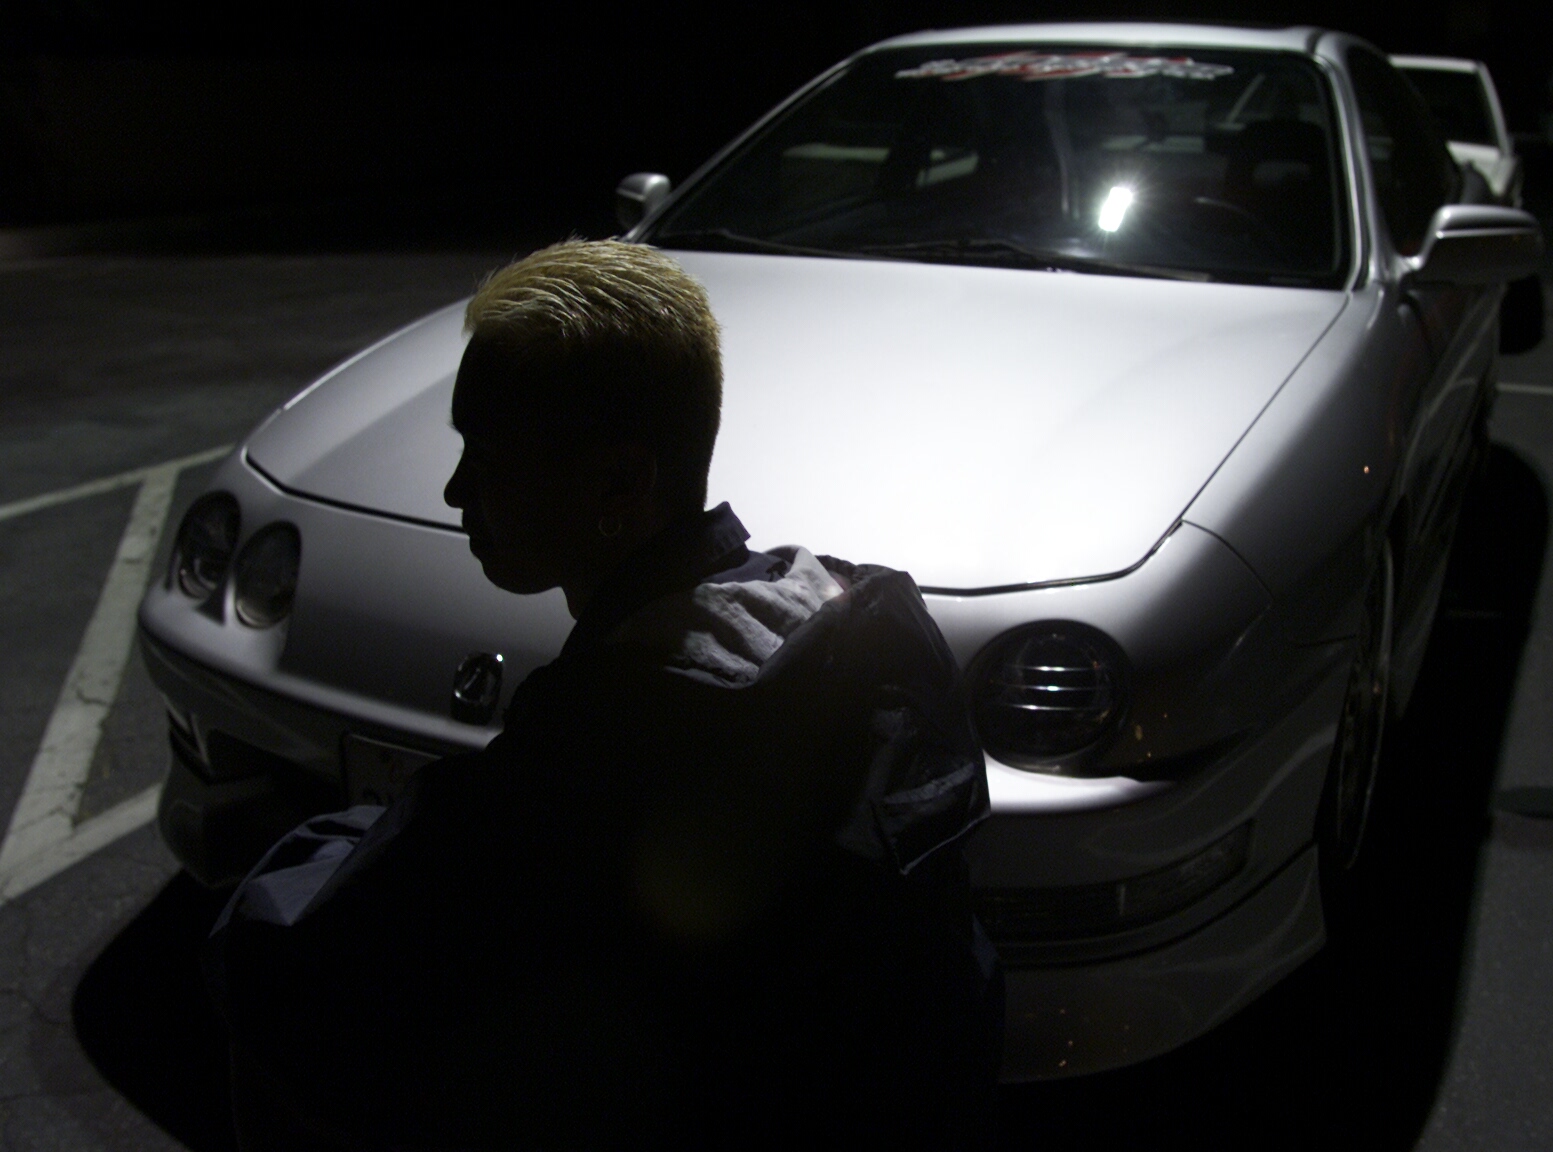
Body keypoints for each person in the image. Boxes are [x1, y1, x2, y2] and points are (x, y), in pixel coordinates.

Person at [205, 239, 1002, 1150]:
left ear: (621, 484)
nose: (457, 489)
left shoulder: (611, 736)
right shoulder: (856, 621)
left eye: (490, 458)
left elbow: (316, 949)